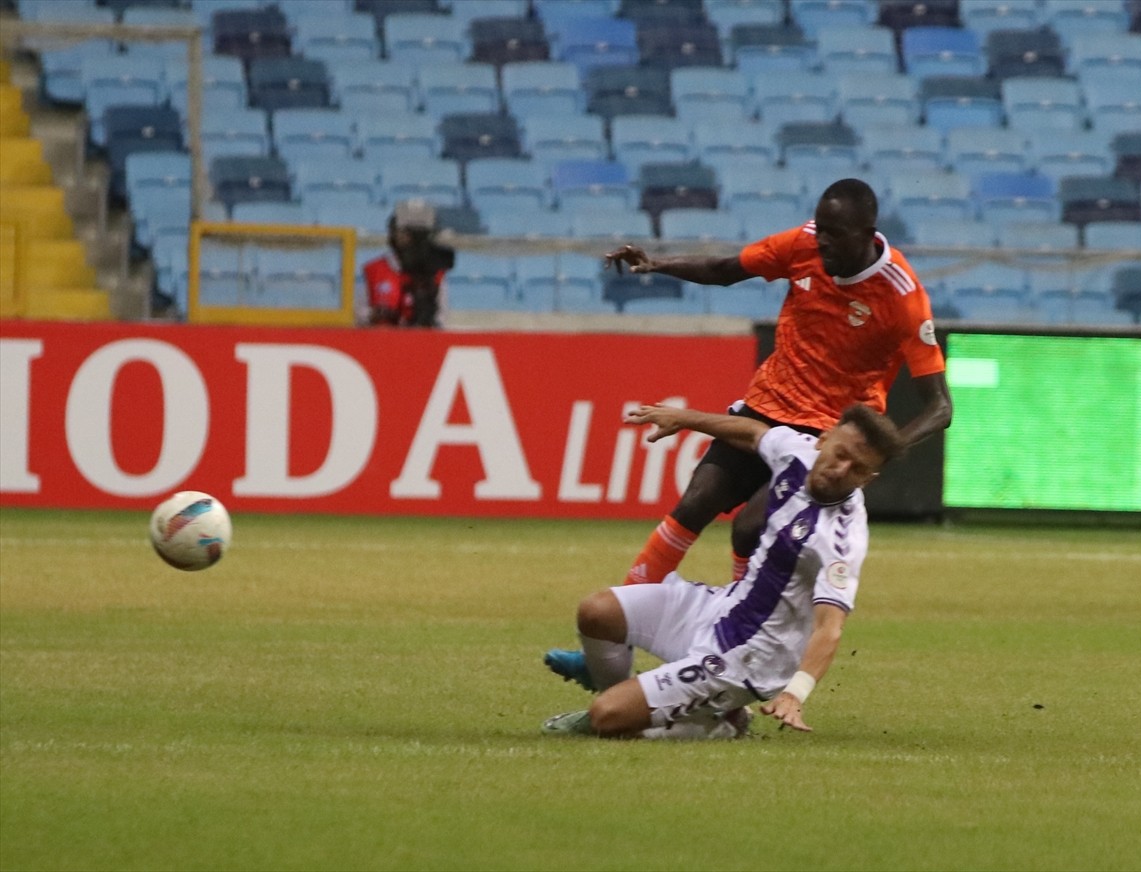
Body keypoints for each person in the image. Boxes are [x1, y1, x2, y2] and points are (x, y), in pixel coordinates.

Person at [544, 176, 951, 688]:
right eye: (819, 228)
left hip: (822, 440)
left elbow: (939, 407)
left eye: (833, 233)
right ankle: (618, 639)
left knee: (748, 528)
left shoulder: (902, 296)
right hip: (764, 411)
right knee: (696, 501)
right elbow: (726, 269)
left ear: (867, 233)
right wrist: (658, 264)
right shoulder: (802, 244)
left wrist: (875, 454)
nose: (819, 239)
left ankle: (734, 651)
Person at [541, 401, 906, 740]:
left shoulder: (840, 538)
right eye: (840, 454)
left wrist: (795, 693)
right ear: (823, 440)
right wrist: (683, 419)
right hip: (721, 608)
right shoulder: (798, 452)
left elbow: (830, 627)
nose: (841, 470)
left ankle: (719, 724)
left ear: (867, 479)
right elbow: (753, 432)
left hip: (751, 656)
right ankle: (642, 701)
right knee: (596, 612)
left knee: (605, 717)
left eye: (857, 468)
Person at [362, 200, 455, 328]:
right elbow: (358, 316)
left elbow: (441, 319)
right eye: (400, 231)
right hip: (381, 342)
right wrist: (375, 315)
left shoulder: (437, 274)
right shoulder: (373, 270)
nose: (403, 237)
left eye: (410, 233)